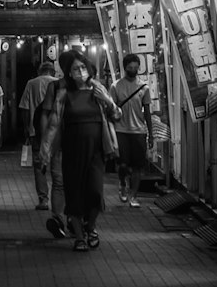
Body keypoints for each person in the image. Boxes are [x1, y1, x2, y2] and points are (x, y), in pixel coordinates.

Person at [39, 49, 120, 252]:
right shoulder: (64, 95)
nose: (81, 71)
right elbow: (53, 125)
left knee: (95, 191)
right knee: (73, 192)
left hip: (97, 150)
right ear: (68, 72)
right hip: (72, 150)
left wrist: (107, 100)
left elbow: (117, 114)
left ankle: (90, 227)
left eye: (83, 67)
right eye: (75, 68)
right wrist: (45, 153)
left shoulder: (98, 89)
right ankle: (79, 236)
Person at [109, 53, 154, 207]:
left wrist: (151, 133)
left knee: (137, 166)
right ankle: (122, 183)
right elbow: (110, 109)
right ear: (125, 68)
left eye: (135, 67)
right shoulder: (116, 86)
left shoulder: (144, 87)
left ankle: (133, 196)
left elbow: (147, 111)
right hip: (120, 130)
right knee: (122, 164)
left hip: (139, 131)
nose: (133, 70)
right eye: (130, 68)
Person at [18, 58, 59, 213]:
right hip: (56, 131)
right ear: (53, 71)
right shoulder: (59, 83)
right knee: (56, 165)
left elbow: (25, 108)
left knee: (39, 165)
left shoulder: (32, 83)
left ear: (40, 71)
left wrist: (27, 128)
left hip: (37, 131)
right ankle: (58, 195)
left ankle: (43, 199)